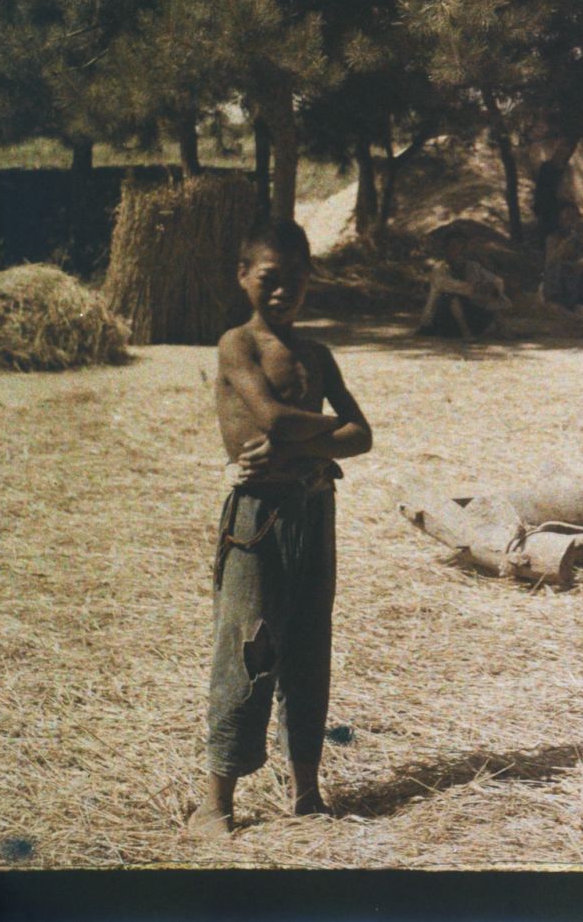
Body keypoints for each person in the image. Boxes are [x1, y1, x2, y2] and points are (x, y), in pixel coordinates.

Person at [190, 219, 373, 838]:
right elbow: (266, 414)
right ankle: (214, 804)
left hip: (313, 510)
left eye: (295, 279)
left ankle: (306, 792)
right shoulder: (236, 344)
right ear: (243, 277)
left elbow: (364, 434)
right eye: (269, 279)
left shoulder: (317, 355)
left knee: (308, 644)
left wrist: (303, 453)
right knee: (249, 645)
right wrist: (325, 440)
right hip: (259, 518)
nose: (282, 292)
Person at [416, 226, 511, 338]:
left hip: (469, 315)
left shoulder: (473, 266)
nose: (457, 251)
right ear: (446, 250)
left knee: (492, 291)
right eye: (453, 247)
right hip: (443, 321)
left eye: (461, 247)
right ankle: (466, 332)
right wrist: (476, 288)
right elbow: (450, 285)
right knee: (450, 297)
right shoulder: (440, 268)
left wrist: (490, 286)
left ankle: (503, 330)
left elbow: (496, 280)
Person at [540, 203, 583, 318]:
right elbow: (551, 261)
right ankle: (554, 303)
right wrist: (566, 243)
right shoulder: (553, 238)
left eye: (574, 219)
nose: (571, 223)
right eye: (567, 219)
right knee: (556, 265)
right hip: (557, 284)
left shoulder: (582, 237)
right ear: (560, 220)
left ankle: (580, 304)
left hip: (573, 281)